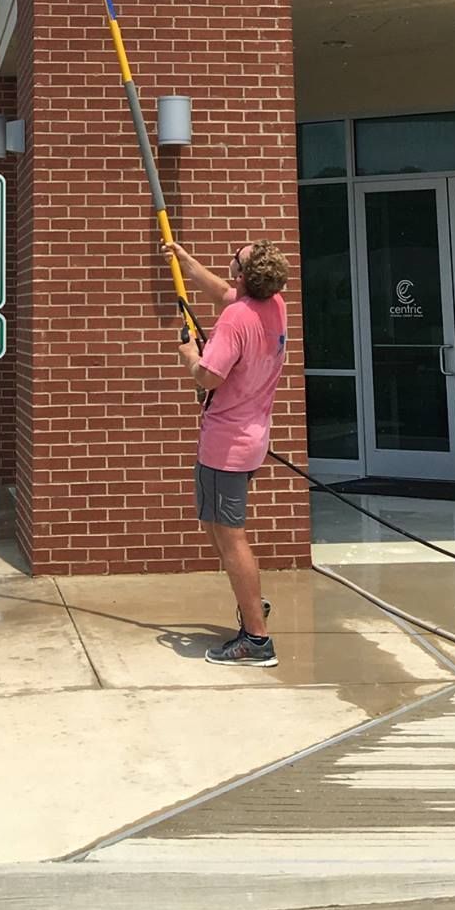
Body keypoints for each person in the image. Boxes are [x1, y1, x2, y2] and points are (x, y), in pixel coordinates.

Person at [163, 236, 290, 667]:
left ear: (243, 274)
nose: (230, 265)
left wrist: (187, 355)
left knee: (230, 538)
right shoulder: (273, 304)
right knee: (213, 525)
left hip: (226, 446)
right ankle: (250, 597)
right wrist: (186, 261)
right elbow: (222, 292)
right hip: (250, 439)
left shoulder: (236, 320)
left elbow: (208, 377)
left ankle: (257, 639)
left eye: (234, 261)